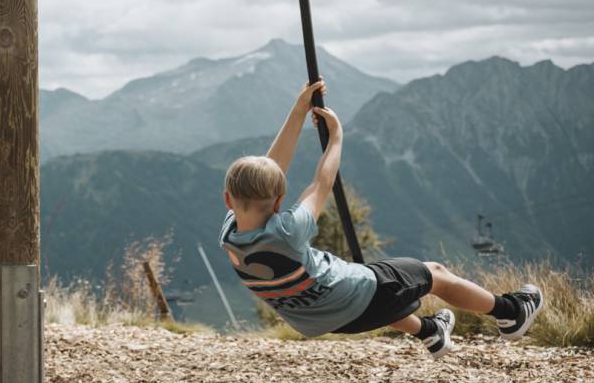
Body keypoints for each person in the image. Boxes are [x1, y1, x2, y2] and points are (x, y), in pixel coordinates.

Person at [219, 79, 544, 356]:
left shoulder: (230, 233)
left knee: (372, 283)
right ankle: (511, 312)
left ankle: (430, 332)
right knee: (434, 273)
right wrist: (336, 138)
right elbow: (322, 183)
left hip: (319, 320)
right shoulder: (289, 230)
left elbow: (270, 168)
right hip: (360, 297)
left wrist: (299, 108)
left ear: (228, 199)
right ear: (279, 202)